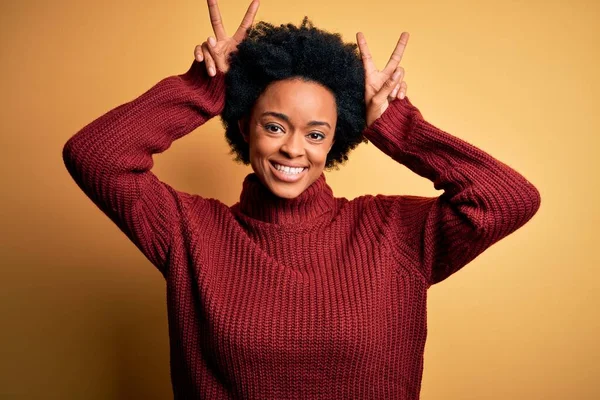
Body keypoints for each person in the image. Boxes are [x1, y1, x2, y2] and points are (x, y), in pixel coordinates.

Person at [62, 0, 541, 398]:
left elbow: (509, 200)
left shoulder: (394, 230)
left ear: (336, 140)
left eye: (316, 133)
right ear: (245, 126)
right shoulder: (187, 230)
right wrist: (201, 89)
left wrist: (398, 127)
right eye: (275, 126)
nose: (294, 148)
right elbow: (94, 156)